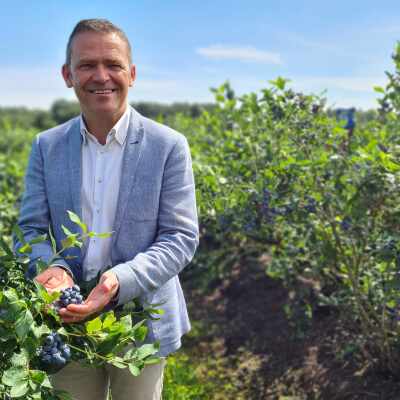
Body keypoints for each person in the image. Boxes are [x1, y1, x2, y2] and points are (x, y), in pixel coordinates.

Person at [13, 18, 199, 400]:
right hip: (67, 320)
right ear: (68, 75)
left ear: (131, 74)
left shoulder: (168, 146)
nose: (102, 76)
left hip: (141, 321)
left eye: (113, 64)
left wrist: (118, 282)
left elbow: (180, 238)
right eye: (86, 65)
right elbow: (29, 230)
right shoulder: (46, 147)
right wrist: (52, 270)